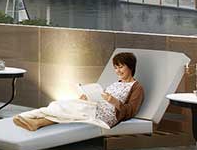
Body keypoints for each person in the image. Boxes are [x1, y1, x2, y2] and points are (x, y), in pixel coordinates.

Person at [14, 51, 143, 131]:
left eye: (121, 67)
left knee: (67, 107)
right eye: (115, 68)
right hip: (96, 106)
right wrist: (89, 96)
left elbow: (130, 111)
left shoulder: (136, 87)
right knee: (62, 104)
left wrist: (114, 101)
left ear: (130, 67)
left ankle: (28, 117)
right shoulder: (116, 83)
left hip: (106, 116)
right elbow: (101, 97)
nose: (118, 71)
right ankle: (36, 122)